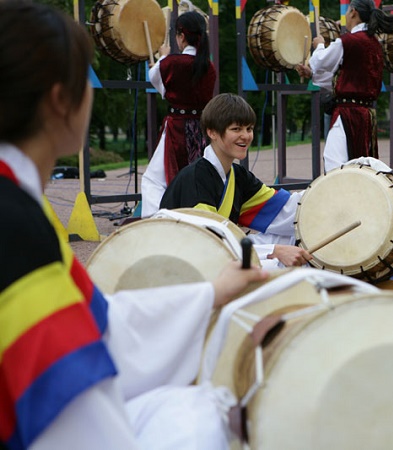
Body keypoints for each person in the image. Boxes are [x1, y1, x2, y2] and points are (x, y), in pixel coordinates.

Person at [0, 3, 268, 449]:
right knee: (209, 417)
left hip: (174, 131)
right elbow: (69, 403)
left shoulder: (23, 207)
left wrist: (209, 294)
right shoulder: (17, 228)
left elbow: (93, 325)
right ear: (60, 102)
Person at [160, 93, 313, 268]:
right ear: (212, 132)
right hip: (183, 264)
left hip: (213, 253)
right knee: (277, 260)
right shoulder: (196, 178)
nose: (246, 136)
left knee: (295, 235)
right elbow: (207, 243)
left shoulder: (238, 175)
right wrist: (275, 251)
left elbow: (285, 212)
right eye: (236, 129)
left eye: (249, 129)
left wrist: (330, 190)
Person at [296, 0, 393, 173]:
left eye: (347, 12)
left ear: (353, 12)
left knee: (334, 164)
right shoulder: (374, 44)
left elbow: (321, 61)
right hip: (365, 115)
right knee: (360, 165)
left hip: (347, 113)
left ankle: (340, 198)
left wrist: (320, 45)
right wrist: (312, 75)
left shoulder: (348, 41)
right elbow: (346, 76)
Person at [141, 10, 216, 218]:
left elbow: (156, 79)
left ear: (181, 36)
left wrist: (162, 57)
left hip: (176, 128)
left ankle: (154, 221)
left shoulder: (171, 62)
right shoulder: (208, 67)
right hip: (200, 130)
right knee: (194, 178)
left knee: (154, 180)